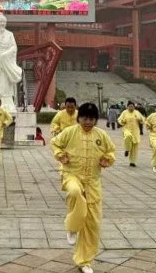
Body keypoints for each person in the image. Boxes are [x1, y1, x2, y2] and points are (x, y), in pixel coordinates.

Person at [50, 102, 116, 273]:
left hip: (93, 181)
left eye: (92, 119)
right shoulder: (70, 132)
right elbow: (55, 143)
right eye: (85, 118)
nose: (88, 122)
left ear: (95, 120)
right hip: (71, 174)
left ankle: (84, 261)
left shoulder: (101, 135)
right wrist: (60, 155)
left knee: (92, 224)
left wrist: (107, 159)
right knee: (75, 192)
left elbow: (111, 151)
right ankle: (72, 227)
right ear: (79, 118)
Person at [118, 101, 145, 167]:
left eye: (132, 106)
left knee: (134, 147)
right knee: (128, 136)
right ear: (127, 107)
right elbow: (119, 119)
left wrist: (140, 120)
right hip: (127, 129)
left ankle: (132, 162)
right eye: (129, 106)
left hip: (135, 131)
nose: (131, 107)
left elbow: (143, 119)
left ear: (134, 107)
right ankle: (127, 149)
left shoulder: (137, 112)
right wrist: (122, 121)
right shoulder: (124, 112)